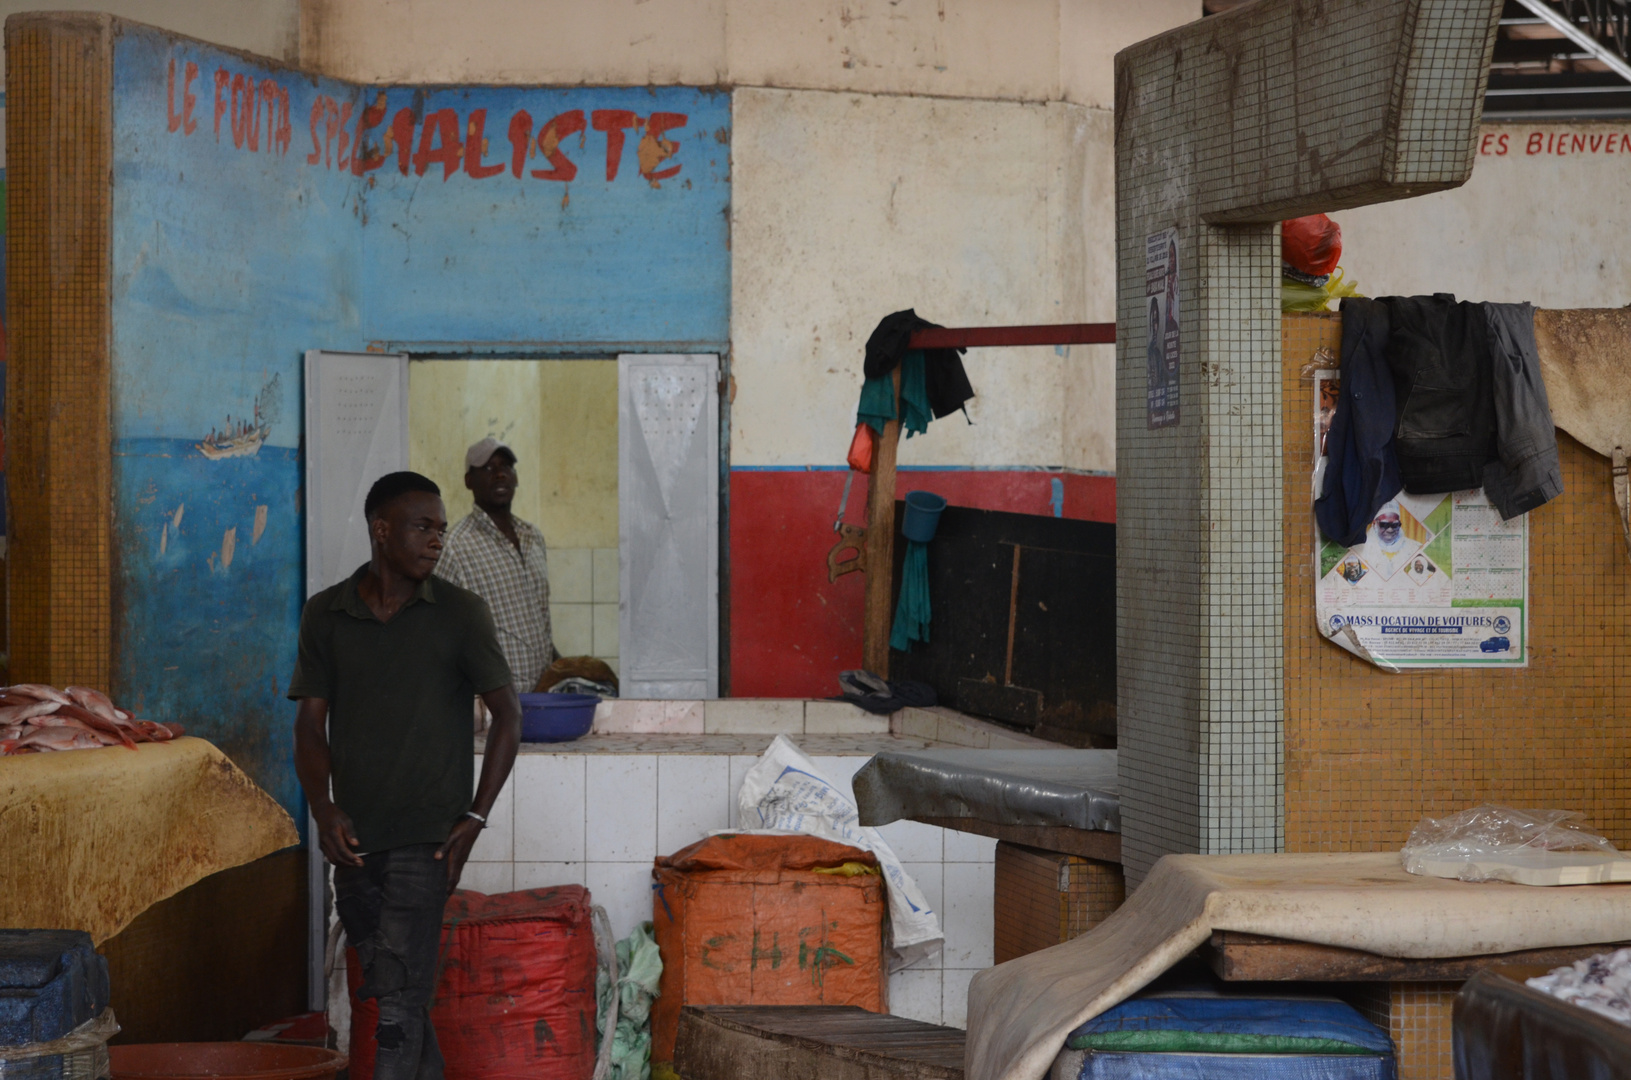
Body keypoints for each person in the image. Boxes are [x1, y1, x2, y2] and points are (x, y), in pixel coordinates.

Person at [291, 471, 521, 1080]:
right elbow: (310, 726)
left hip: (429, 839)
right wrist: (322, 806)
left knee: (395, 1007)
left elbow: (508, 715)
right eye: (423, 527)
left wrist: (475, 816)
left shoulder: (460, 614)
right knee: (399, 994)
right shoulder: (327, 615)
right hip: (356, 844)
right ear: (381, 530)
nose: (436, 540)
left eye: (441, 530)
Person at [435, 437, 558, 693]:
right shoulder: (455, 547)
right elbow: (437, 632)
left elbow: (540, 619)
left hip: (541, 696)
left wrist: (559, 666)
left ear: (515, 478)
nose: (500, 475)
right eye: (488, 469)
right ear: (469, 481)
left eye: (506, 467)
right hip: (492, 701)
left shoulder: (533, 537)